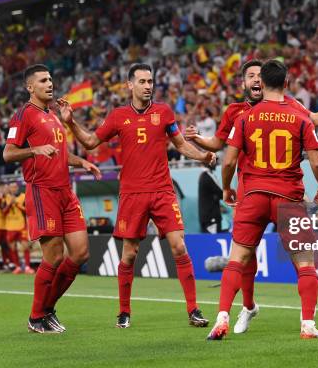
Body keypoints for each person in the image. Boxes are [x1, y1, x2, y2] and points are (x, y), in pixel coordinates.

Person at [185, 59, 318, 334]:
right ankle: (307, 324)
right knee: (305, 263)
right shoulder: (297, 115)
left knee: (236, 259)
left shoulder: (245, 117)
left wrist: (227, 187)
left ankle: (222, 318)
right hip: (288, 198)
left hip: (252, 196)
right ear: (286, 84)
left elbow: (227, 161)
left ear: (261, 83)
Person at [59, 63, 215, 329]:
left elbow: (180, 144)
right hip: (132, 194)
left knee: (179, 246)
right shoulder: (118, 116)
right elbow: (90, 142)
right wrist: (71, 122)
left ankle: (193, 310)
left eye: (150, 81)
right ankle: (124, 311)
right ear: (130, 85)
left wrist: (202, 156)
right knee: (129, 255)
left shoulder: (164, 112)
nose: (147, 86)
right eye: (142, 81)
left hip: (163, 191)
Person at [3, 64, 101, 334]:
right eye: (43, 80)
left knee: (80, 253)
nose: (49, 83)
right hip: (42, 189)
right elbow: (8, 154)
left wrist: (82, 162)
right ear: (30, 87)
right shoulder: (24, 114)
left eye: (50, 79)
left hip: (65, 192)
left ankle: (48, 309)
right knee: (54, 257)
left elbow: (59, 154)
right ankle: (37, 317)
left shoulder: (54, 116)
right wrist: (34, 150)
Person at [4, 182, 28, 274]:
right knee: (12, 247)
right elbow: (3, 212)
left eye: (15, 187)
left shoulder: (23, 196)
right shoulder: (5, 197)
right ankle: (17, 266)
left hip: (21, 225)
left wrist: (17, 204)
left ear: (17, 187)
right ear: (9, 188)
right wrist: (10, 204)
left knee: (25, 246)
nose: (13, 189)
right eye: (11, 187)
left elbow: (28, 210)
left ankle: (27, 267)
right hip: (10, 226)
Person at [198, 162, 224, 233]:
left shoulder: (204, 175)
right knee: (213, 242)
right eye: (214, 162)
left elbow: (212, 195)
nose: (216, 164)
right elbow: (220, 193)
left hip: (207, 217)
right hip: (211, 218)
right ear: (208, 163)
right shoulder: (207, 176)